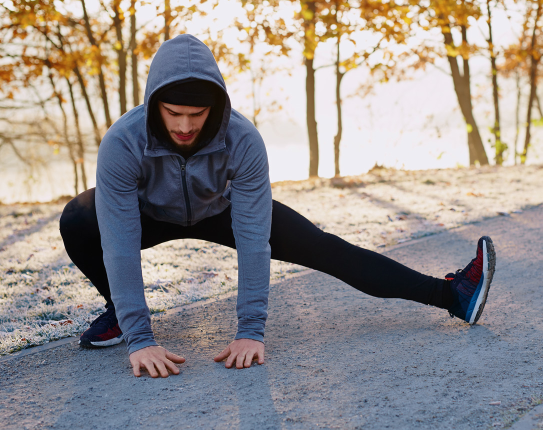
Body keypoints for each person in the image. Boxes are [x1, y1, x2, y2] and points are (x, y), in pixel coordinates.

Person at [59, 34, 497, 379]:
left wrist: (251, 330)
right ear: (154, 103)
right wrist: (142, 338)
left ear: (216, 105)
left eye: (198, 114)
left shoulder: (242, 138)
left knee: (326, 248)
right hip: (147, 213)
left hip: (220, 210)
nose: (186, 125)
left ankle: (452, 295)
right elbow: (118, 242)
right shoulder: (123, 142)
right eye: (174, 113)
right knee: (79, 218)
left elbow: (253, 239)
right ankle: (120, 315)